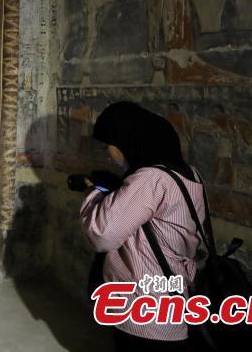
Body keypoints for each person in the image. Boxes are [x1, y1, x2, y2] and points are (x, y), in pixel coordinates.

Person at [80, 101, 205, 351]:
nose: (107, 153)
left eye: (108, 145)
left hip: (145, 305)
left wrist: (96, 194)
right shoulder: (187, 173)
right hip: (173, 293)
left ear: (127, 141)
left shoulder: (149, 179)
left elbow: (101, 234)